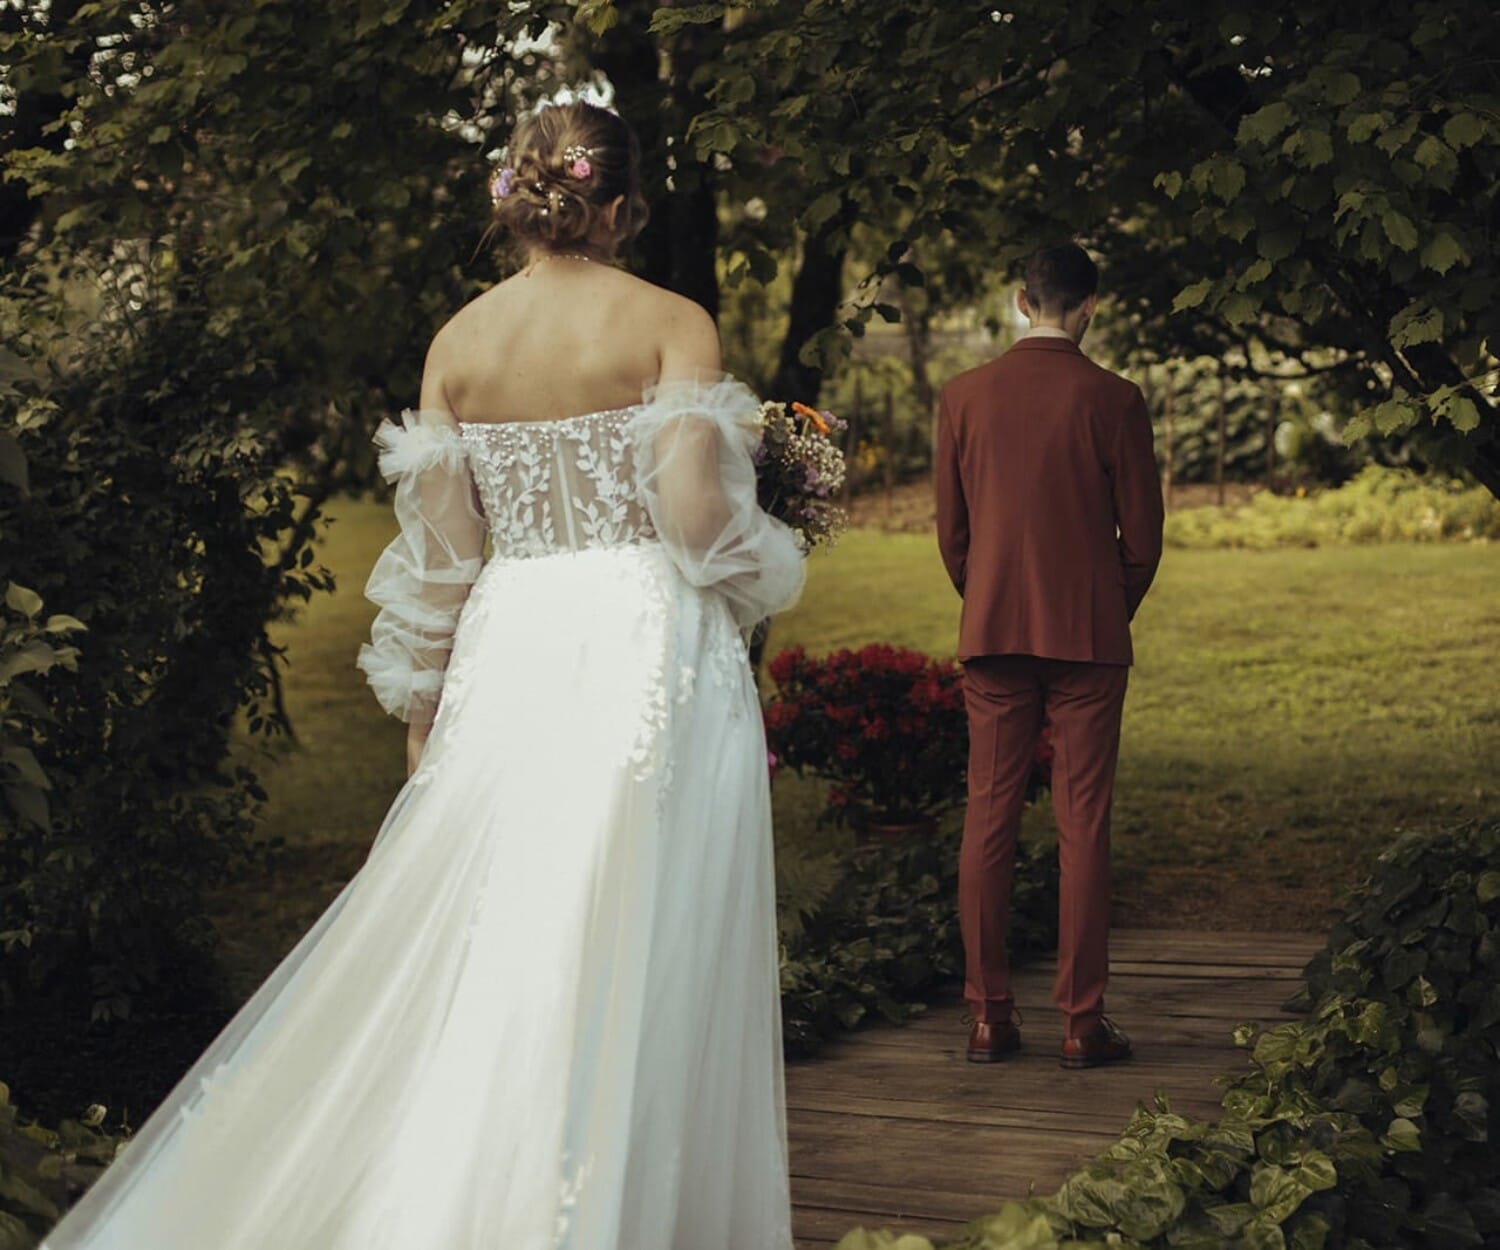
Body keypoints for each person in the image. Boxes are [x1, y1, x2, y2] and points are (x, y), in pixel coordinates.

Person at [41, 101, 802, 1250]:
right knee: (635, 924)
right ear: (622, 202)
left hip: (512, 643)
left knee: (502, 923)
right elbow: (695, 519)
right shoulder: (671, 321)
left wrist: (425, 699)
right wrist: (765, 556)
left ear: (516, 199)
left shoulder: (457, 343)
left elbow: (441, 555)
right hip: (644, 637)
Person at [934, 243, 1164, 1070]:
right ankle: (1081, 1022)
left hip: (992, 634)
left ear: (1019, 300)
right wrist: (1105, 604)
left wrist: (988, 596)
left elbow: (952, 536)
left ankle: (990, 1016)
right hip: (1089, 639)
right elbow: (1142, 539)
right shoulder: (1116, 399)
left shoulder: (962, 397)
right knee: (1084, 825)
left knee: (988, 817)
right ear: (1090, 306)